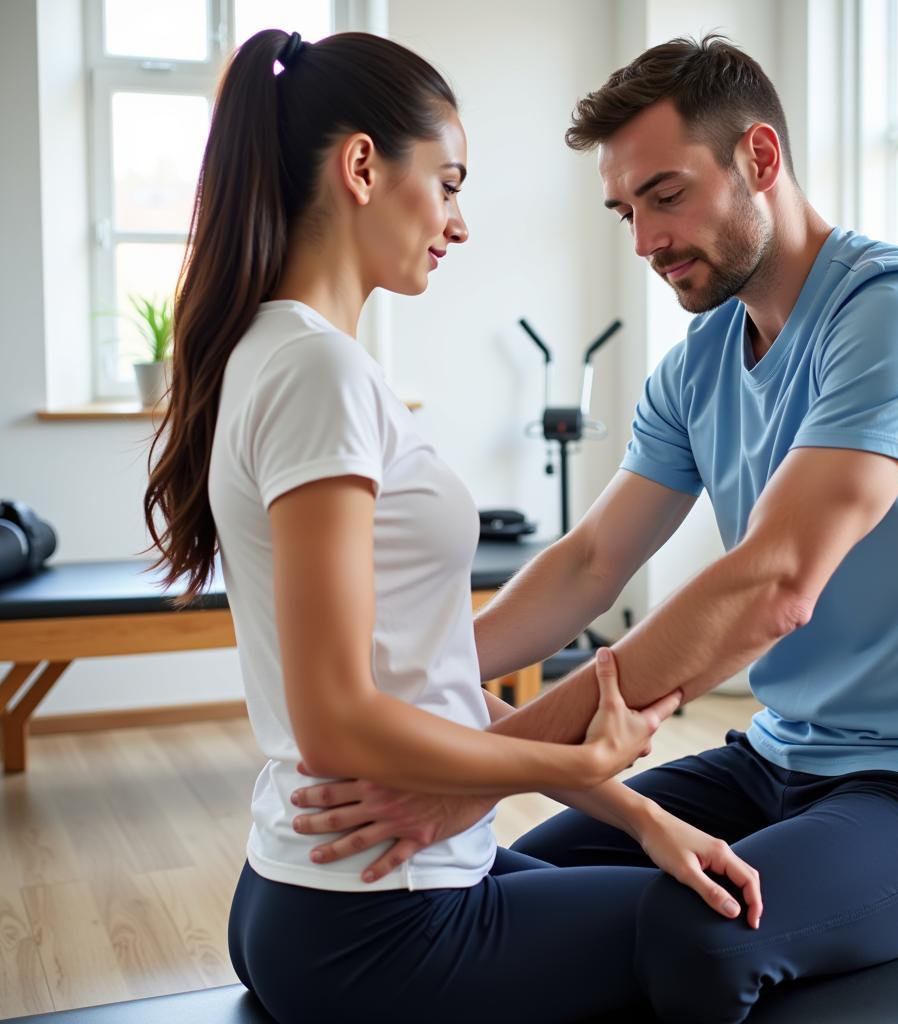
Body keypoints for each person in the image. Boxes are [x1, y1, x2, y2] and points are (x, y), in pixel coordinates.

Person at [292, 34, 898, 1023]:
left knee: (699, 928)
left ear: (759, 159)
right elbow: (590, 562)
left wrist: (481, 764)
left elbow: (774, 583)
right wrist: (416, 694)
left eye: (665, 195)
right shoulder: (701, 360)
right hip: (775, 758)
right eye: (624, 209)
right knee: (496, 889)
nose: (642, 239)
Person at [142, 29, 764, 1024]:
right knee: (731, 926)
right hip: (379, 922)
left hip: (305, 896)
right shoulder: (318, 371)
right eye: (448, 182)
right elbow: (337, 715)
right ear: (359, 166)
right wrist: (573, 762)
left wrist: (645, 818)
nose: (459, 223)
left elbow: (422, 692)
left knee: (671, 871)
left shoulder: (270, 350)